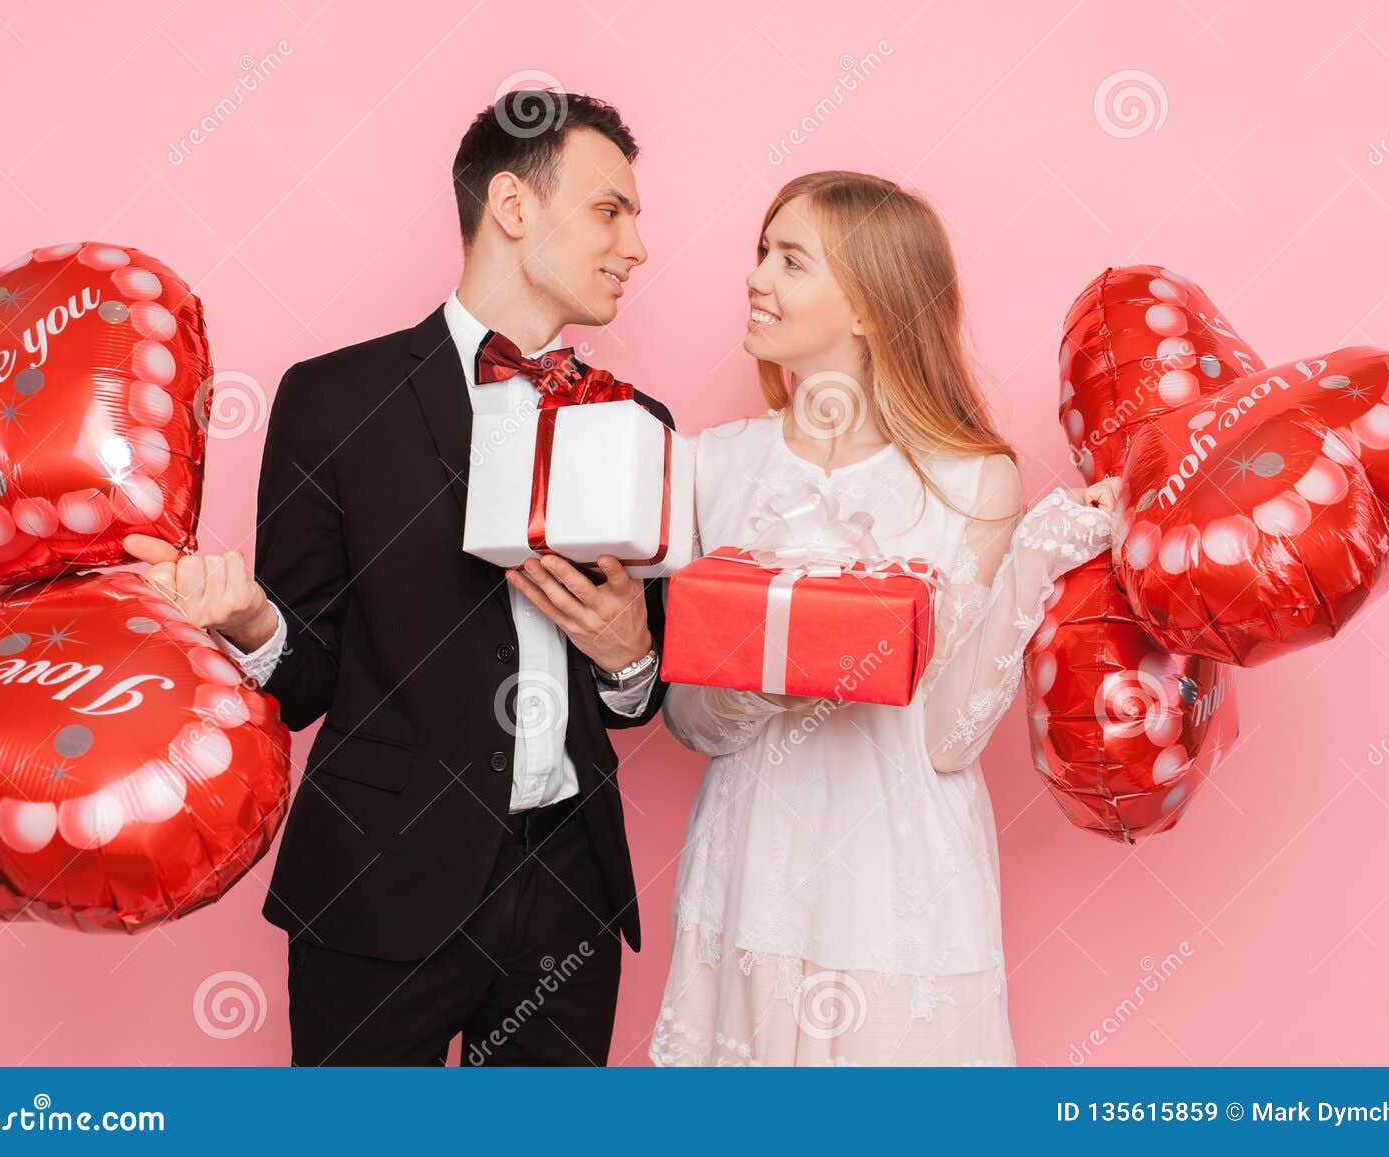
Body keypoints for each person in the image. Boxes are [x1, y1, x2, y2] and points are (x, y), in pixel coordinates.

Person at [124, 92, 672, 1066]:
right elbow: (309, 677)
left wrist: (630, 656)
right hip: (375, 885)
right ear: (512, 206)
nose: (636, 244)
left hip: (570, 896)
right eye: (610, 208)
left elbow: (636, 696)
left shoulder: (643, 423)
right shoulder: (332, 399)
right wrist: (252, 620)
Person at [649, 170, 1121, 1066]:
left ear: (870, 306)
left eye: (791, 260)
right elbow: (688, 720)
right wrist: (781, 674)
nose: (756, 278)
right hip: (753, 875)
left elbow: (945, 740)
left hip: (900, 892)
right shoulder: (713, 464)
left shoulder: (972, 481)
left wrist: (1033, 561)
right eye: (760, 253)